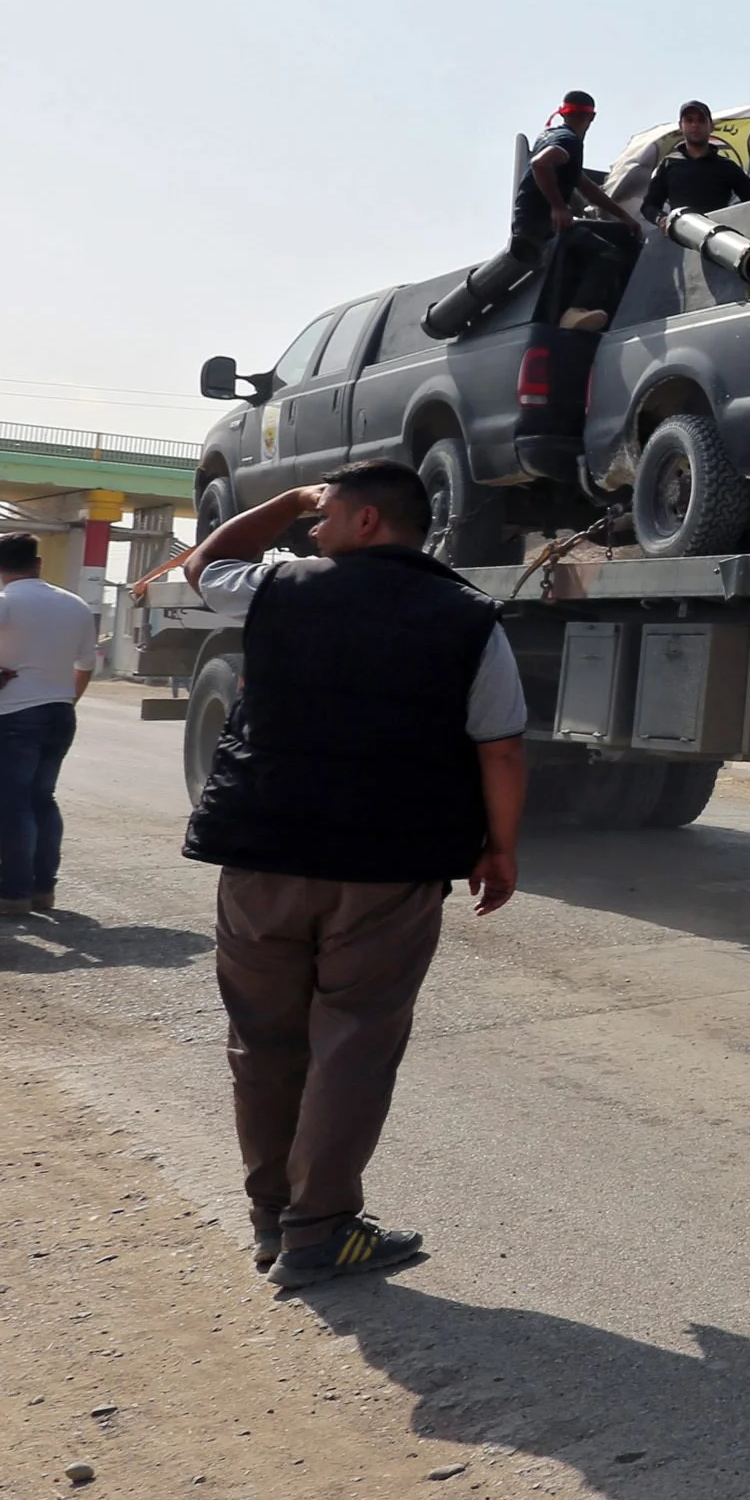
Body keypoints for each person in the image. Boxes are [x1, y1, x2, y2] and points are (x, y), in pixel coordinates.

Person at [178, 461, 530, 1290]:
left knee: (263, 1040)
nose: (310, 525)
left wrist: (276, 502)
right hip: (388, 866)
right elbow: (502, 745)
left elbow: (203, 563)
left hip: (262, 854)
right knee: (355, 1042)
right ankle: (320, 1227)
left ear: (370, 521)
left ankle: (273, 1218)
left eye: (324, 512)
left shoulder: (278, 588)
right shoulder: (470, 616)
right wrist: (500, 846)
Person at [0, 533, 101, 920]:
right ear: (38, 563)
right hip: (59, 713)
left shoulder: (0, 602)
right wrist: (65, 699)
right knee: (42, 800)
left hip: (14, 714)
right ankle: (41, 889)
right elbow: (85, 664)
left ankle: (13, 892)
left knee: (11, 805)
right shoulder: (75, 605)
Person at [511, 90, 640, 332]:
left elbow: (586, 187)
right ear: (592, 117)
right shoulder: (567, 139)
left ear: (562, 112)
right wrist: (559, 207)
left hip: (529, 222)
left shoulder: (552, 135)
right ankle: (576, 311)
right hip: (540, 225)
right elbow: (541, 164)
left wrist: (623, 216)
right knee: (609, 254)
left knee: (604, 236)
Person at [637, 101, 750, 227]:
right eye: (689, 120)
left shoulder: (727, 166)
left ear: (711, 126)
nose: (695, 125)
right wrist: (662, 220)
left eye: (701, 120)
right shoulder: (669, 165)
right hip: (681, 240)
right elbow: (649, 206)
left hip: (721, 240)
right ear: (681, 126)